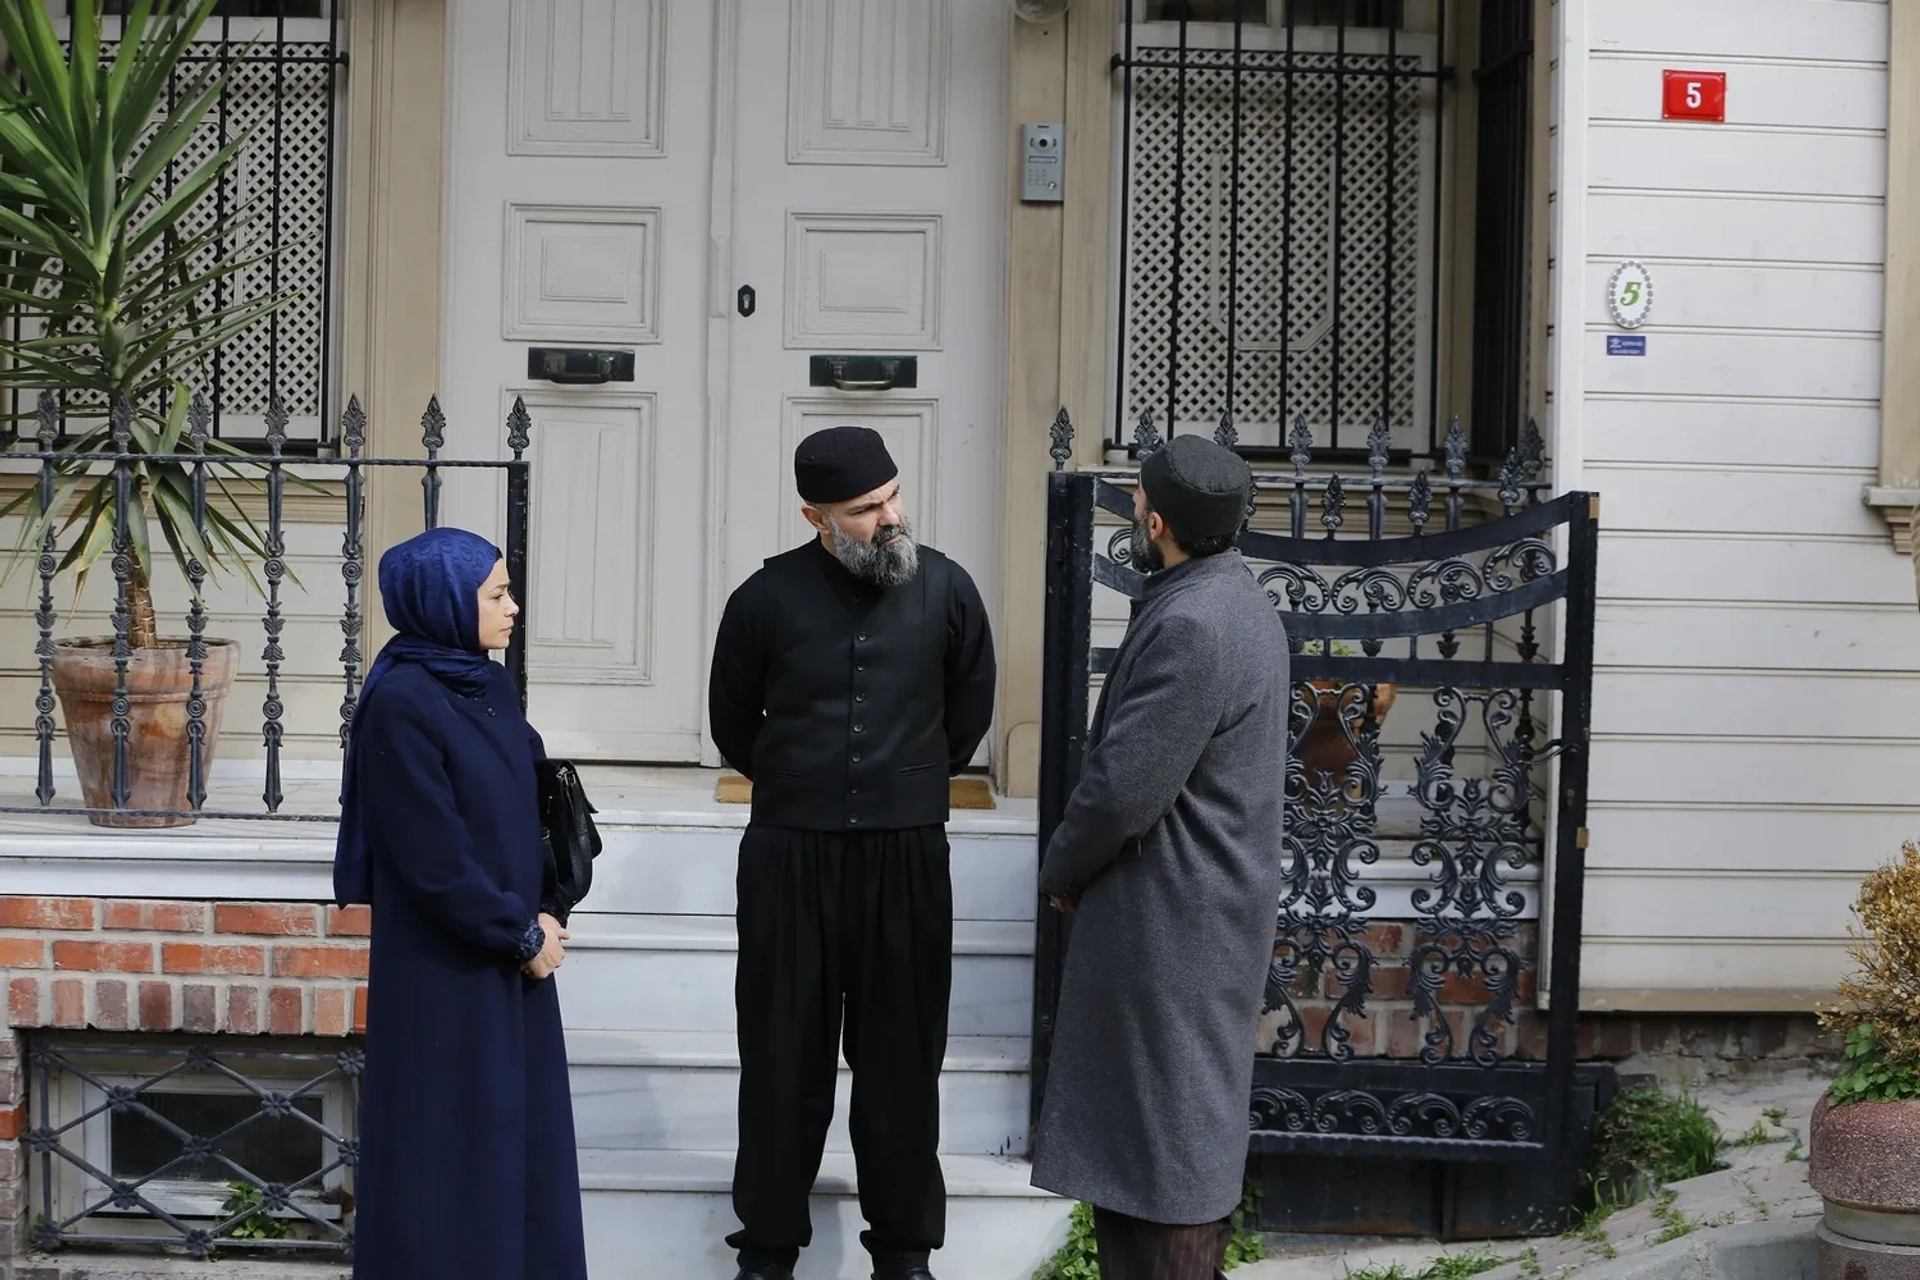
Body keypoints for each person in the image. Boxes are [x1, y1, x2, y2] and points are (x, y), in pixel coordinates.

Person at [707, 425, 998, 1280]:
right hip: (789, 857)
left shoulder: (948, 588)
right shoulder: (763, 599)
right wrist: (806, 788)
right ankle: (766, 1252)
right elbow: (734, 726)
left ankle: (904, 1253)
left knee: (904, 1063)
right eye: (866, 509)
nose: (890, 517)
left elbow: (967, 714)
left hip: (906, 857)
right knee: (780, 1060)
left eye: (894, 496)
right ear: (817, 516)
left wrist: (902, 785)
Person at [1029, 433, 1290, 1280]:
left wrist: (1063, 871)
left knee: (1168, 1165)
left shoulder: (1196, 622)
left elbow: (1122, 790)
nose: (1135, 512)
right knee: (1157, 1153)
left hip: (1173, 925)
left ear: (1158, 516)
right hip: (1191, 921)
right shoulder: (1229, 599)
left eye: (1139, 502)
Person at [334, 527, 587, 1280]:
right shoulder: (401, 703)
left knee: (520, 1145)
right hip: (445, 971)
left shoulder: (489, 683)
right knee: (444, 1156)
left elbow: (531, 808)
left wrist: (548, 909)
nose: (513, 608)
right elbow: (430, 857)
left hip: (515, 956)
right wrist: (515, 932)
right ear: (443, 602)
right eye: (496, 594)